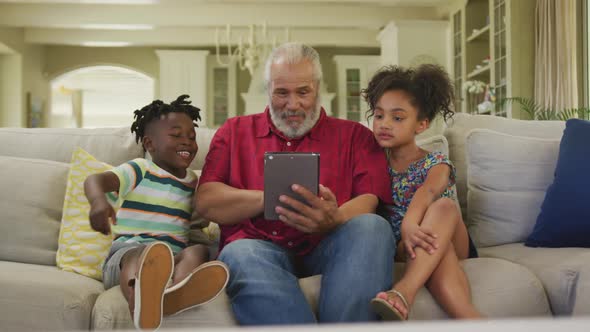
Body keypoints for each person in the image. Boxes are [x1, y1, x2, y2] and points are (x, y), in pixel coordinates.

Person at [195, 42, 395, 324]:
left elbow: (369, 200)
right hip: (257, 247)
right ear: (268, 91)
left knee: (373, 227)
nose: (293, 104)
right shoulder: (234, 131)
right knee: (239, 251)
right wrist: (271, 198)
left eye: (303, 92)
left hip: (328, 245)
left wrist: (333, 219)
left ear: (318, 88)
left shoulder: (355, 136)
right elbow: (206, 200)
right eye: (281, 93)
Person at [84, 95, 229, 330]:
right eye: (176, 135)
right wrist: (98, 202)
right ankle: (138, 297)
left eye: (191, 137)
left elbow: (210, 210)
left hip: (171, 259)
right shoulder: (140, 169)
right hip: (127, 254)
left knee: (199, 250)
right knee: (139, 252)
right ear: (150, 144)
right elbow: (95, 180)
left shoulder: (193, 182)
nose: (187, 142)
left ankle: (175, 294)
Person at [363, 64, 481, 320]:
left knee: (444, 207)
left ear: (421, 124)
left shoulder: (436, 163)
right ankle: (474, 321)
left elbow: (427, 192)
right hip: (404, 246)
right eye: (379, 115)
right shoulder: (373, 162)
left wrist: (411, 222)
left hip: (449, 236)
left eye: (397, 117)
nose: (384, 124)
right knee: (436, 251)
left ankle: (404, 290)